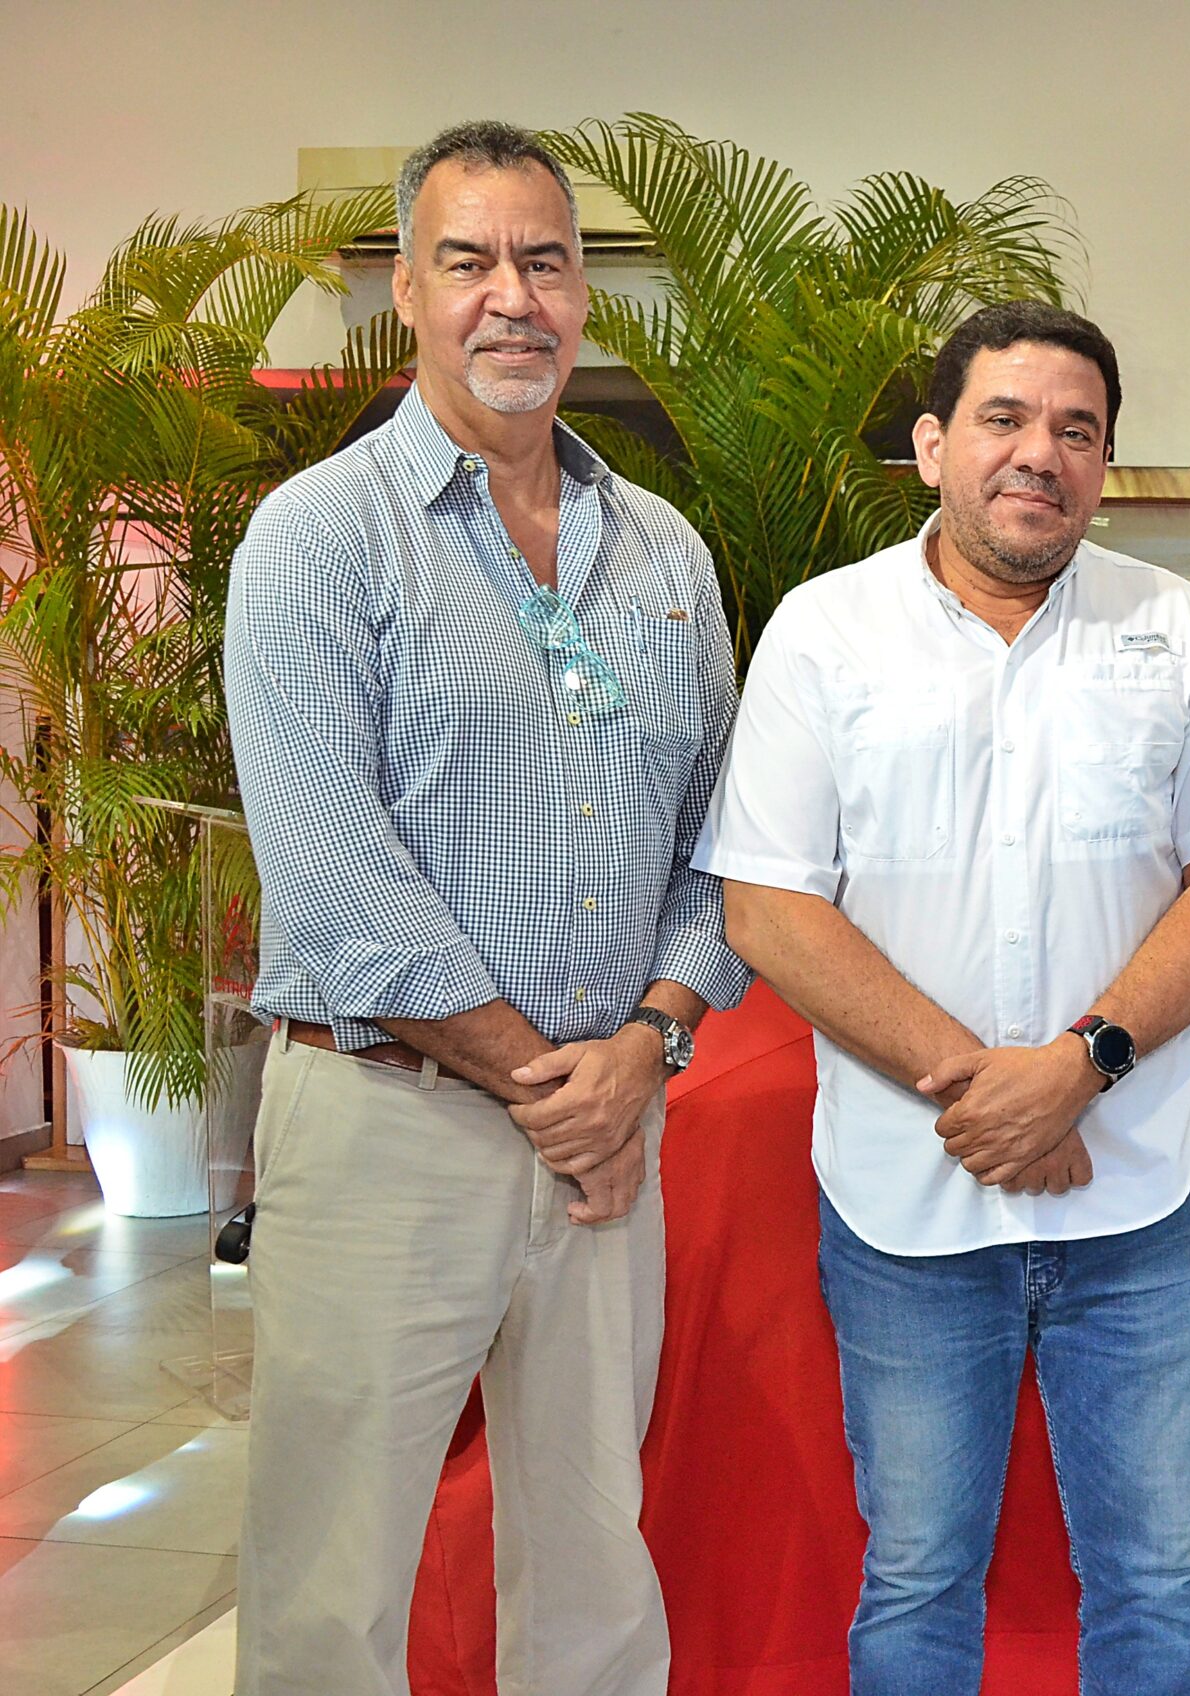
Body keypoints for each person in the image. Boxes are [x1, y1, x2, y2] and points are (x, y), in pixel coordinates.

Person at [226, 120, 749, 1695]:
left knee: (596, 1567)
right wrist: (555, 1087)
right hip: (389, 1123)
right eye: (468, 261)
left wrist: (643, 1051)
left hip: (608, 1134)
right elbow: (335, 876)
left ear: (584, 296)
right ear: (406, 291)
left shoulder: (661, 552)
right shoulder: (319, 538)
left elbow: (725, 839)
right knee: (333, 1590)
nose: (510, 296)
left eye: (545, 261)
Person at [697, 299, 1190, 1695]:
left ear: (1104, 463)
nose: (1040, 454)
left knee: (1156, 1580)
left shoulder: (1173, 626)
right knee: (916, 1575)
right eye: (1005, 419)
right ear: (931, 445)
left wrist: (1077, 1068)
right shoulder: (824, 635)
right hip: (907, 1203)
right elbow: (767, 905)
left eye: (1077, 430)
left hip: (1139, 1200)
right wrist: (992, 1091)